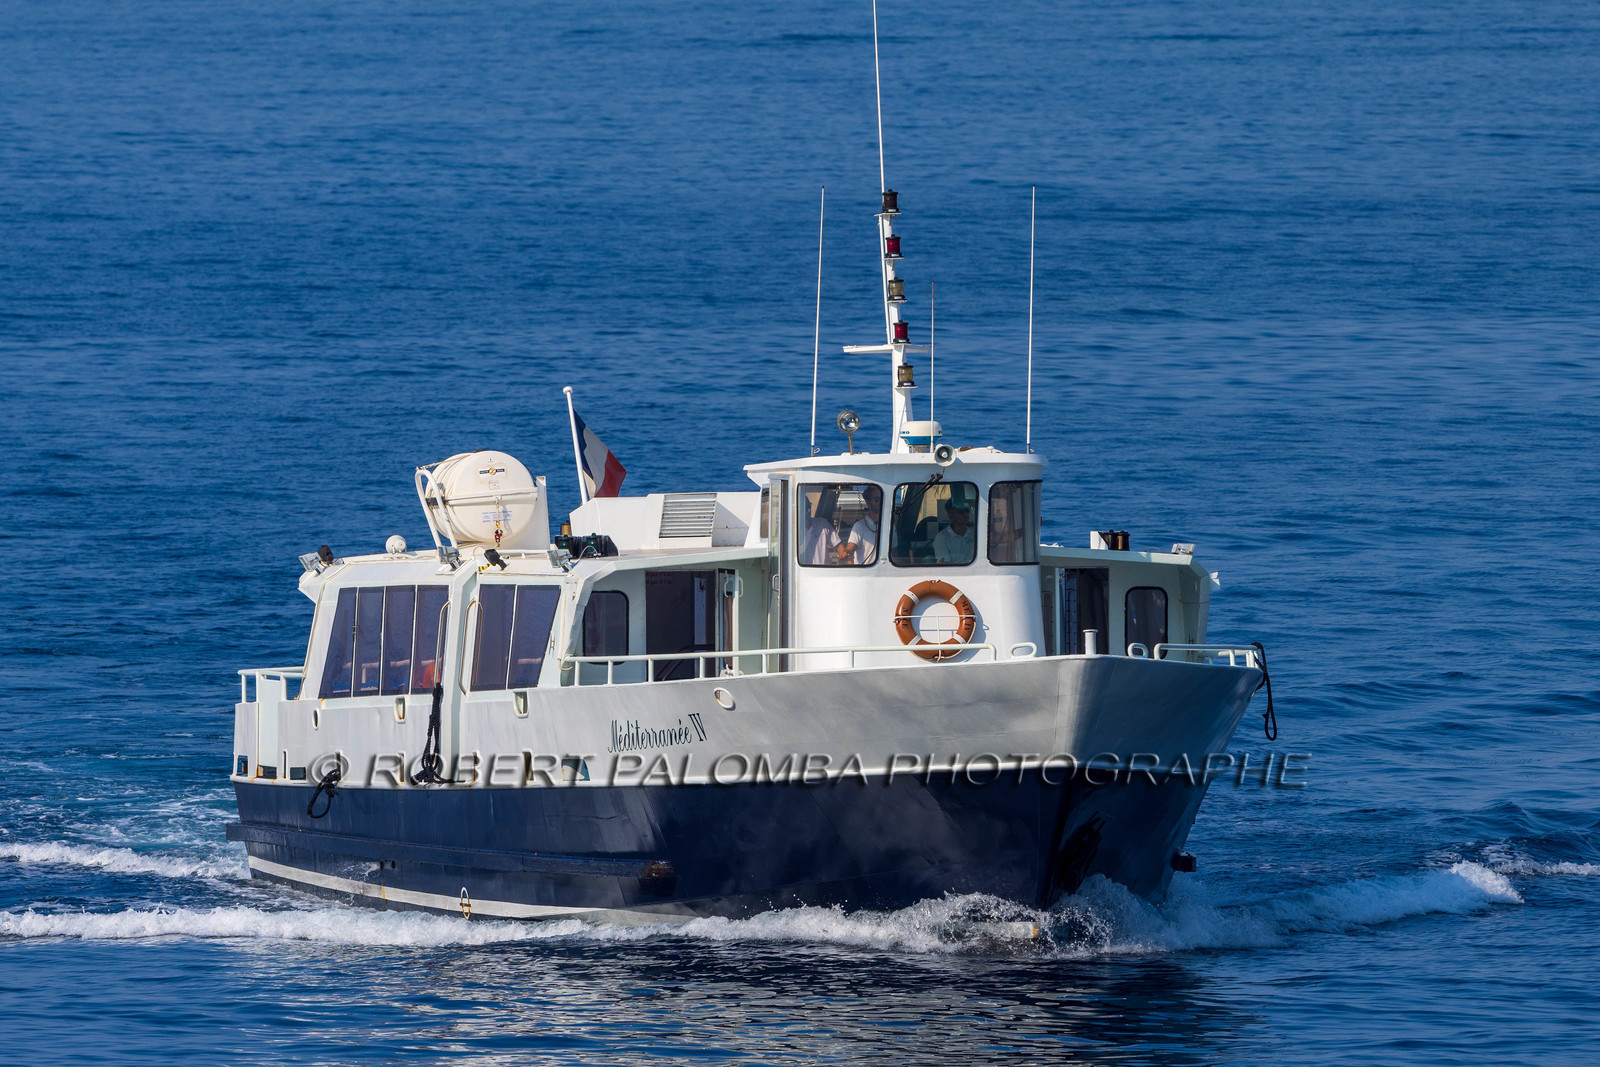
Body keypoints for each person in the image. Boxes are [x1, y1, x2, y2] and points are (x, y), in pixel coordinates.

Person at [803, 489, 843, 565]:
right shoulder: (793, 531)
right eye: (805, 509)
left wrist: (844, 556)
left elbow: (839, 546)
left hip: (825, 573)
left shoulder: (822, 524)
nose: (808, 511)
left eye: (809, 507)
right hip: (805, 573)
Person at [845, 485, 882, 565]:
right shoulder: (859, 526)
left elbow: (894, 552)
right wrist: (847, 553)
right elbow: (850, 548)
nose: (880, 502)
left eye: (882, 499)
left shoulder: (890, 526)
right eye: (877, 500)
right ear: (868, 502)